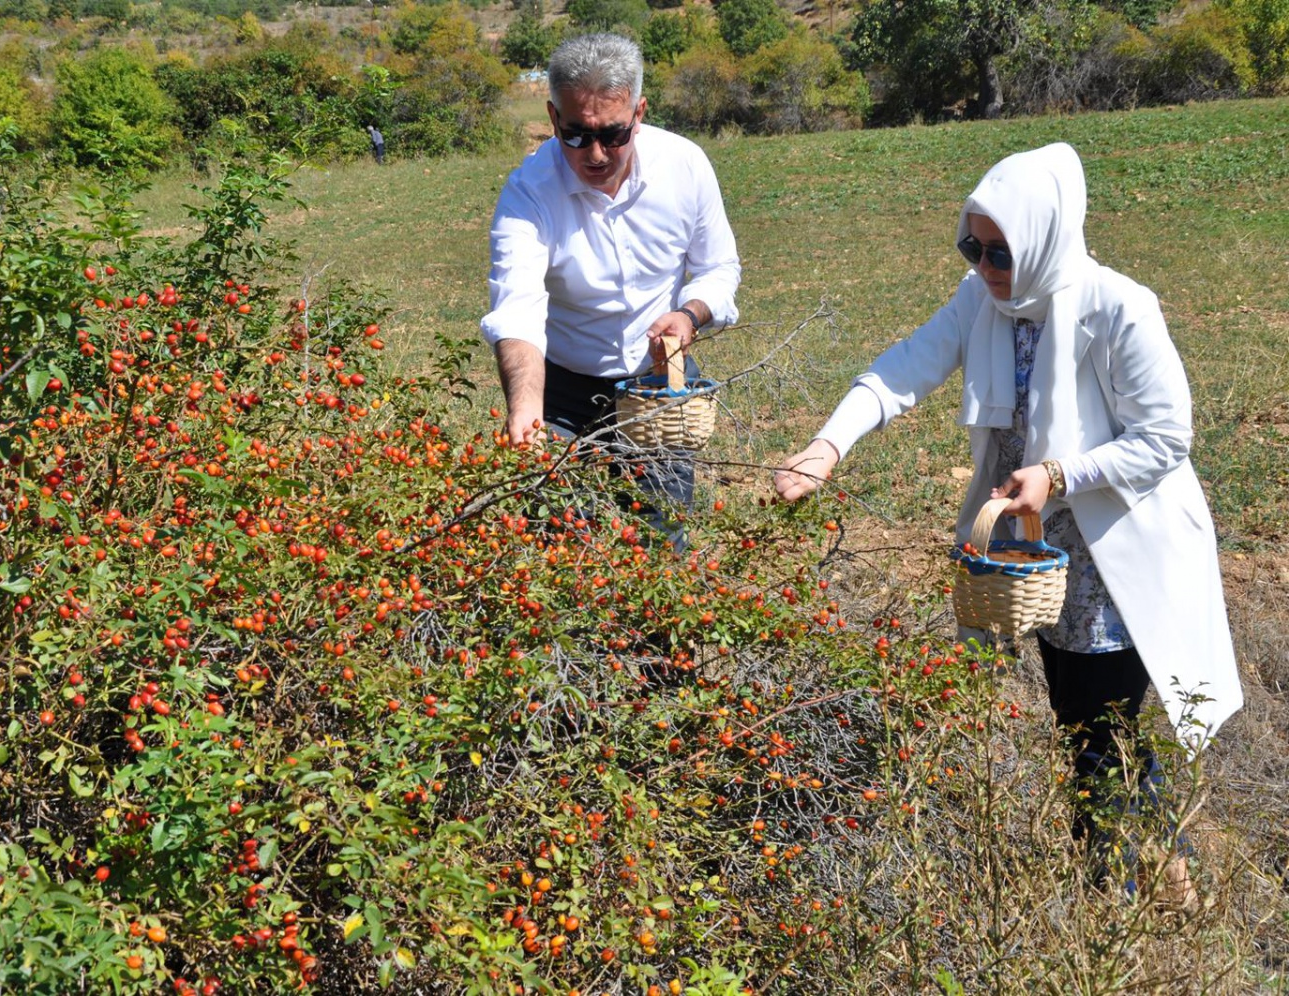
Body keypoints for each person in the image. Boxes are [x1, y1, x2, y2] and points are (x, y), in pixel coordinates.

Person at [774, 142, 1242, 896]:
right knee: (1086, 721)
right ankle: (1164, 872)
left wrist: (1059, 473)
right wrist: (827, 445)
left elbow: (1165, 439)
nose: (985, 265)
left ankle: (1118, 901)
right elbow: (904, 366)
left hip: (1110, 551)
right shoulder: (981, 301)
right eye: (972, 245)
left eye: (1001, 251)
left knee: (1096, 730)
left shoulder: (1119, 307)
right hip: (1028, 548)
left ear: (1047, 239)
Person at [480, 33, 741, 531]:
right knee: (557, 554)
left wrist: (689, 315)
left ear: (639, 113)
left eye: (614, 135)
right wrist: (528, 411)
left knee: (658, 547)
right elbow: (518, 307)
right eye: (576, 134)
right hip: (561, 396)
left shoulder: (685, 167)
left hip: (657, 389)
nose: (595, 153)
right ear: (554, 118)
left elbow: (718, 268)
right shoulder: (529, 193)